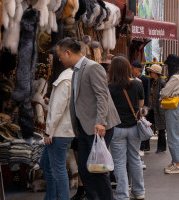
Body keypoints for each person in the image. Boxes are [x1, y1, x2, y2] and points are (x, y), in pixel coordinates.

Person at [56, 37, 121, 200]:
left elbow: (102, 96)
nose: (59, 59)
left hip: (98, 126)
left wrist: (100, 122)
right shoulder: (76, 71)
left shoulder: (92, 67)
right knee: (85, 170)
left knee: (98, 170)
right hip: (85, 126)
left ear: (68, 53)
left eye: (60, 55)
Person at [107, 56, 146, 200]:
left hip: (117, 128)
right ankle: (139, 191)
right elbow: (140, 106)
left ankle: (122, 194)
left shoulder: (110, 87)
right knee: (135, 159)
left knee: (119, 162)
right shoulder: (137, 84)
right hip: (134, 127)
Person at [41, 63, 74, 200]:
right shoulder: (72, 77)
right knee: (46, 164)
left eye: (60, 55)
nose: (58, 58)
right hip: (64, 128)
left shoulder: (65, 79)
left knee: (58, 169)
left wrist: (49, 131)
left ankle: (58, 197)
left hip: (59, 131)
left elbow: (58, 109)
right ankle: (51, 196)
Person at [160, 54, 179, 174]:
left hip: (172, 108)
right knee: (172, 135)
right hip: (175, 106)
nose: (167, 67)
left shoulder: (175, 77)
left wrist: (161, 92)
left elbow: (164, 92)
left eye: (168, 65)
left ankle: (178, 164)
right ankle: (175, 161)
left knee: (173, 135)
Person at [146, 64, 167, 154]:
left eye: (151, 72)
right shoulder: (151, 81)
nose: (150, 73)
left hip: (159, 108)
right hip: (151, 107)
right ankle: (145, 147)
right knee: (146, 125)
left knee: (161, 128)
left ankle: (161, 147)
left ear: (155, 73)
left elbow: (164, 95)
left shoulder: (162, 82)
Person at [132, 61, 151, 154]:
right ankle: (142, 145)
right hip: (136, 105)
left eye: (132, 68)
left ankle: (145, 146)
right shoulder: (133, 78)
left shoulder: (145, 79)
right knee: (140, 125)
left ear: (136, 69)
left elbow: (146, 93)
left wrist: (145, 106)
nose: (132, 70)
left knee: (144, 125)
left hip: (142, 105)